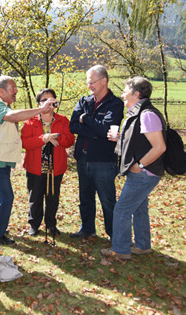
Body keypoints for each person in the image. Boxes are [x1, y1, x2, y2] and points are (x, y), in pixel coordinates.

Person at [0, 75, 54, 245]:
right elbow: (13, 117)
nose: (16, 92)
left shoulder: (2, 105)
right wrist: (41, 110)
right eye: (12, 88)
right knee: (5, 198)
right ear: (1, 91)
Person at [101, 76, 166, 260]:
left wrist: (140, 165)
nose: (122, 94)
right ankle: (143, 245)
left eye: (125, 90)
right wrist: (120, 138)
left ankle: (120, 250)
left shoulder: (147, 114)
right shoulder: (138, 113)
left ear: (136, 94)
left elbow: (159, 146)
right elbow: (141, 139)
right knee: (139, 207)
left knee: (121, 210)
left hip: (144, 172)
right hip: (143, 171)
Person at [69, 65, 124, 240]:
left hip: (103, 160)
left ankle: (114, 234)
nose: (89, 86)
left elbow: (106, 129)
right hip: (83, 157)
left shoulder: (115, 103)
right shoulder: (84, 101)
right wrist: (95, 129)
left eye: (92, 82)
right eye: (88, 82)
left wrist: (85, 119)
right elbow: (73, 126)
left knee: (107, 200)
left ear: (104, 81)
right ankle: (87, 229)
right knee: (85, 197)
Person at [21, 88, 75, 237]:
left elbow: (70, 140)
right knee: (35, 198)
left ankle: (51, 225)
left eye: (50, 100)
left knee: (52, 198)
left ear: (55, 103)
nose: (47, 103)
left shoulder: (62, 120)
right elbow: (25, 143)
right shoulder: (30, 121)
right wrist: (43, 139)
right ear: (38, 104)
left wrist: (57, 137)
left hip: (55, 168)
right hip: (35, 167)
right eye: (43, 100)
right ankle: (34, 225)